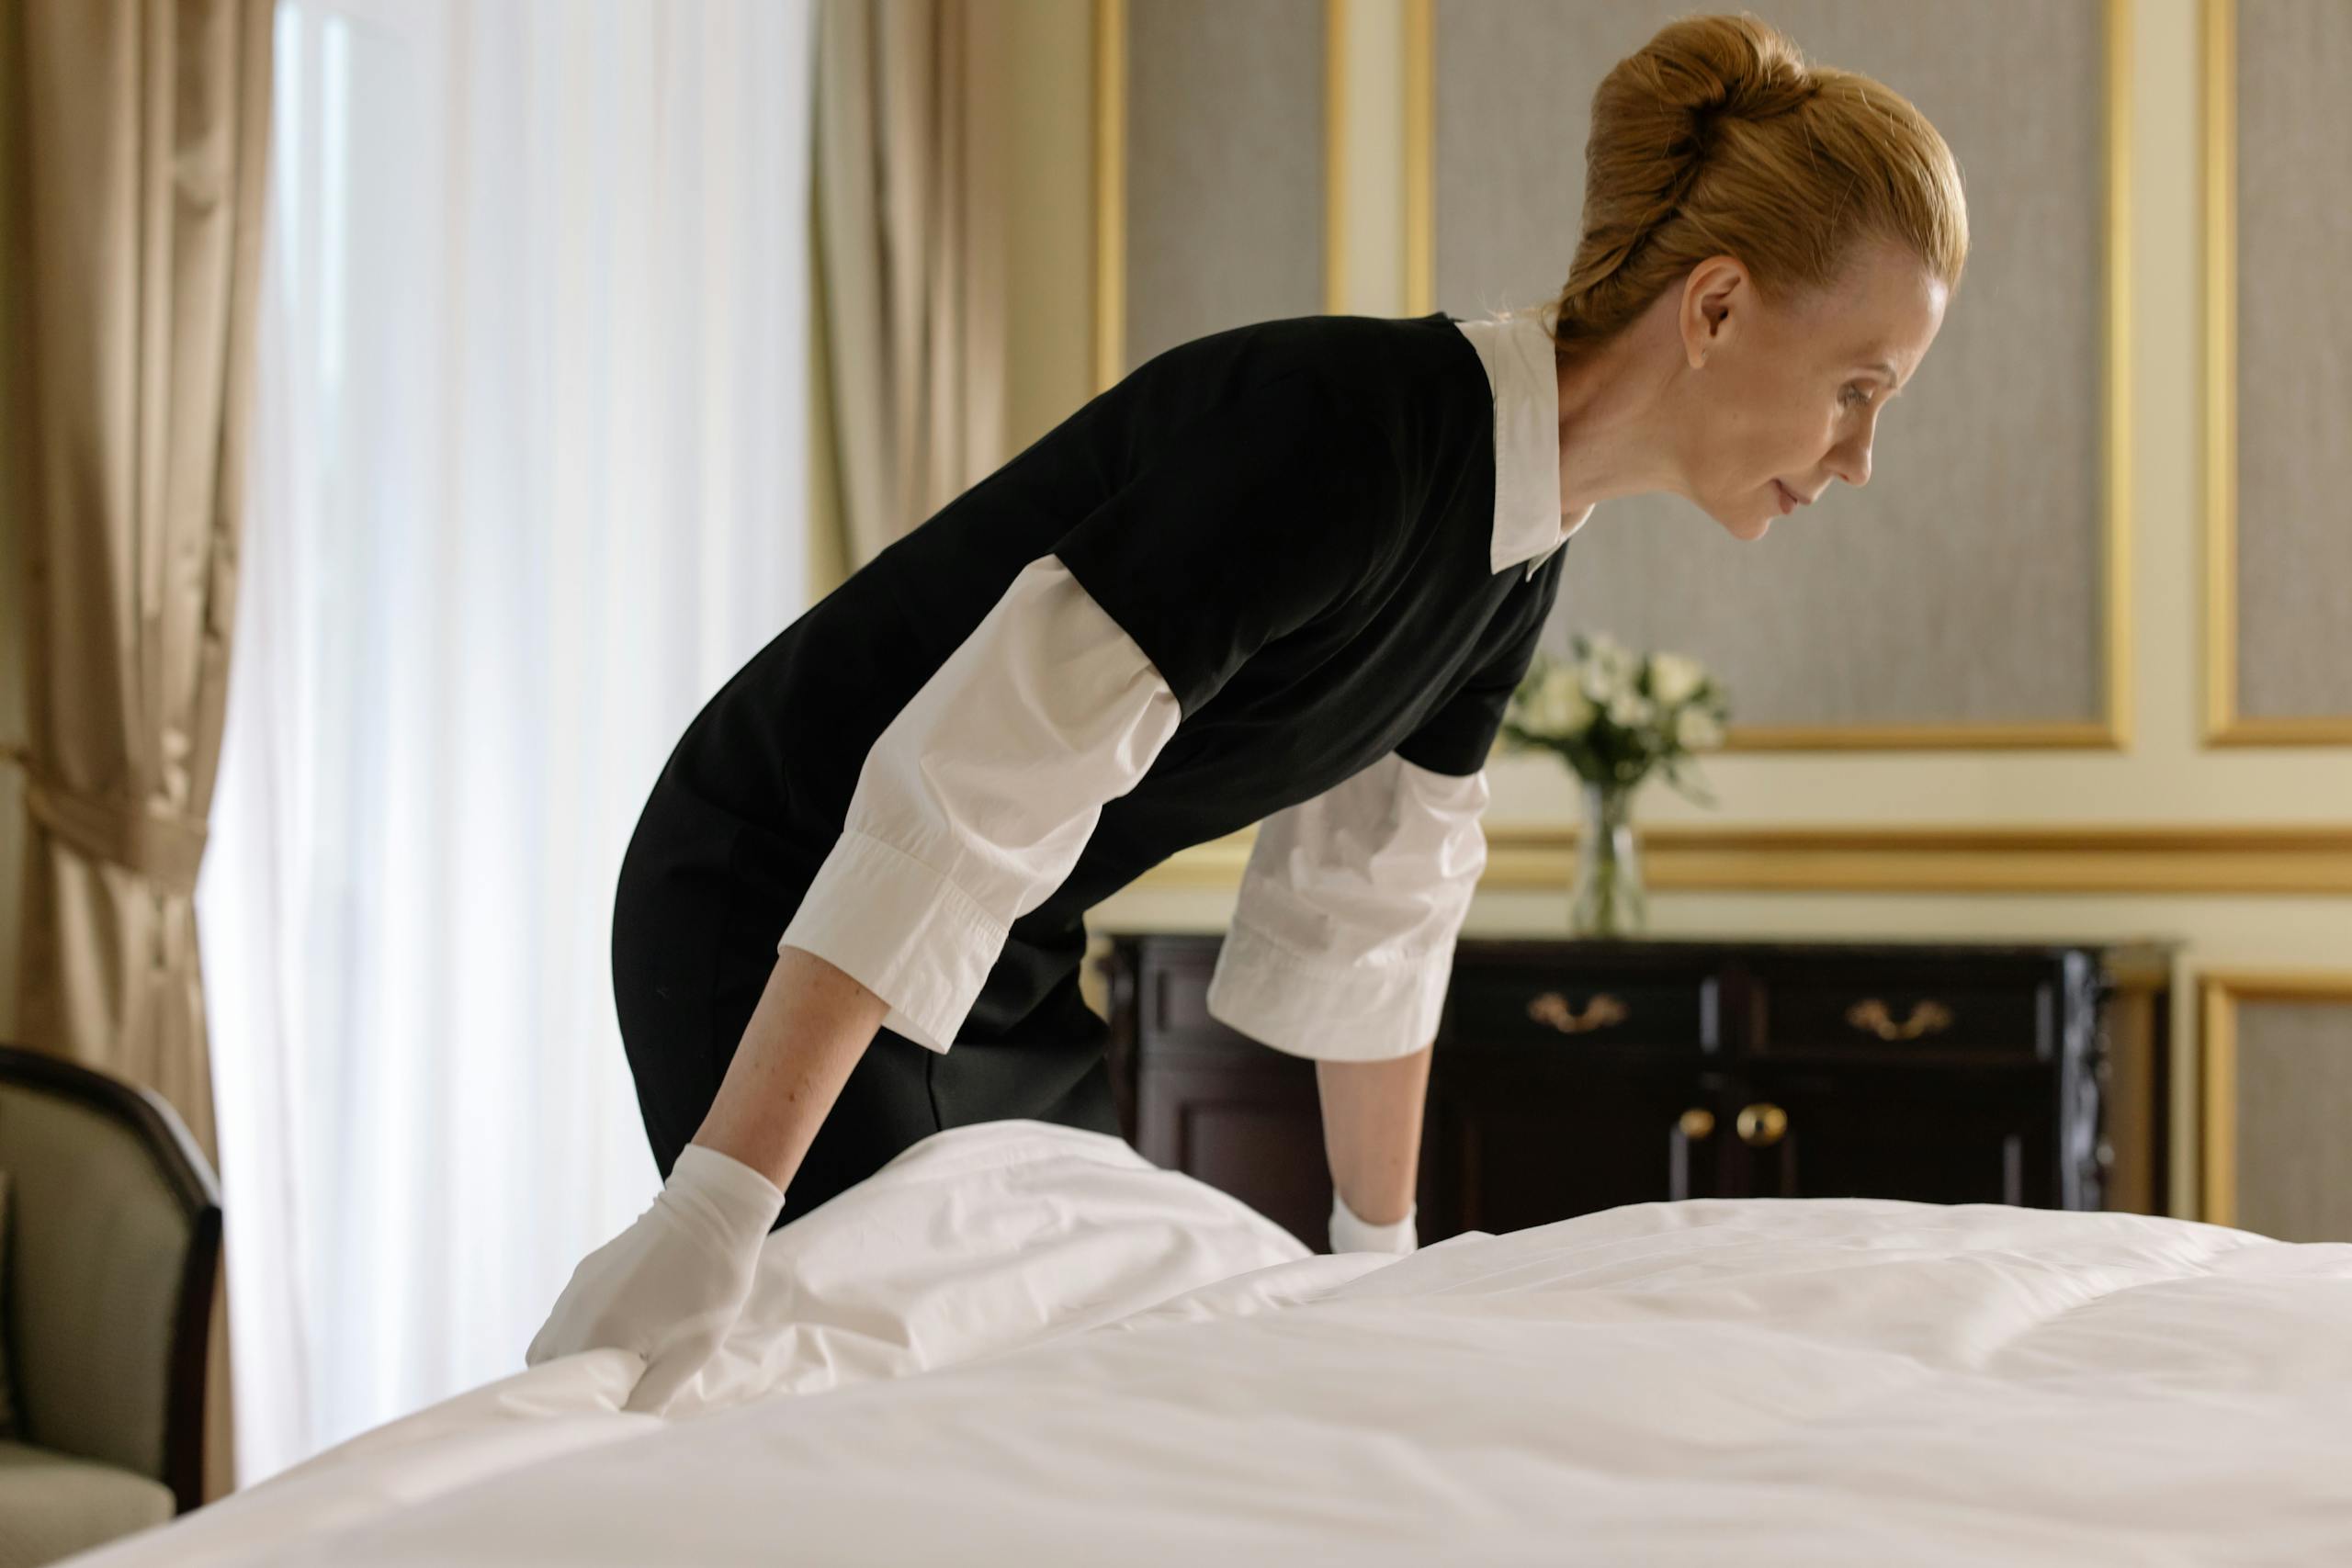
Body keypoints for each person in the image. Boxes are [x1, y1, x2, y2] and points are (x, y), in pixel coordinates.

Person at [526, 11, 1965, 1415]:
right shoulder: (1343, 438)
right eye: (1859, 389)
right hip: (789, 890)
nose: (1866, 459)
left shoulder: (1521, 541)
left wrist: (1377, 1261)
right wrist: (717, 1207)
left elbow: (1377, 913)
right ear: (1714, 306)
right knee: (922, 1411)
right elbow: (967, 779)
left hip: (1001, 958)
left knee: (1090, 1389)